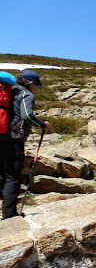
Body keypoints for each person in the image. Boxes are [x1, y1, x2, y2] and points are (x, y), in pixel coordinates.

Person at [0, 70, 49, 219]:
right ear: (31, 83)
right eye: (37, 85)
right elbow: (27, 116)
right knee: (12, 176)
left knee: (1, 172)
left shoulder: (11, 91)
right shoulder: (26, 94)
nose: (37, 89)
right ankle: (9, 215)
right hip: (13, 138)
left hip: (0, 134)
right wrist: (42, 124)